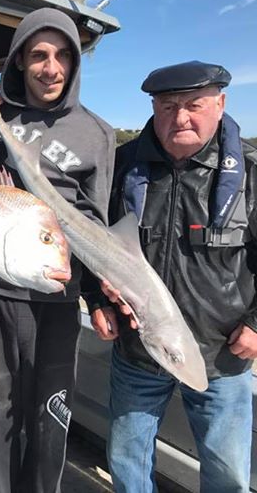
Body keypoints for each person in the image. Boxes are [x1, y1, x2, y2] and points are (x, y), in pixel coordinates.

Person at [0, 8, 115, 493]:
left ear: (73, 63)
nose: (51, 67)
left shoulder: (97, 133)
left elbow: (99, 227)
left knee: (51, 415)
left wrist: (97, 297)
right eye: (39, 55)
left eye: (63, 55)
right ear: (21, 62)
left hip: (57, 300)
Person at [91, 61, 257, 493]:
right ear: (152, 107)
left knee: (229, 474)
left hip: (221, 357)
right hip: (138, 355)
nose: (180, 117)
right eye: (168, 106)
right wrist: (96, 300)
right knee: (127, 461)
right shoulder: (122, 167)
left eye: (194, 105)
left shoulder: (252, 176)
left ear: (220, 104)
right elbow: (93, 244)